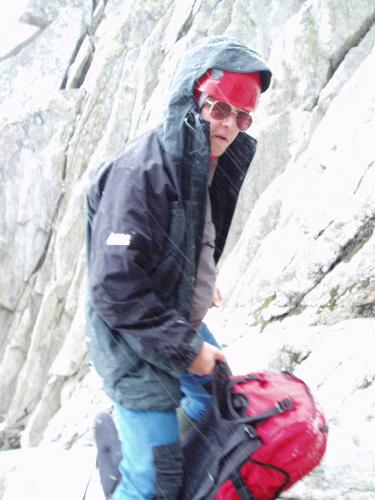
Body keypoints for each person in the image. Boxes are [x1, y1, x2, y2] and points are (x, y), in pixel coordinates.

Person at [85, 36, 272, 499]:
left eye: (242, 115)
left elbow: (186, 235)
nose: (230, 125)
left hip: (169, 315)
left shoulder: (200, 164)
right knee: (151, 481)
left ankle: (159, 453)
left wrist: (200, 278)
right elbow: (115, 288)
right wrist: (189, 351)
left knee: (215, 397)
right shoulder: (143, 173)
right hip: (132, 338)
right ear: (192, 98)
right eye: (219, 108)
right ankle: (139, 468)